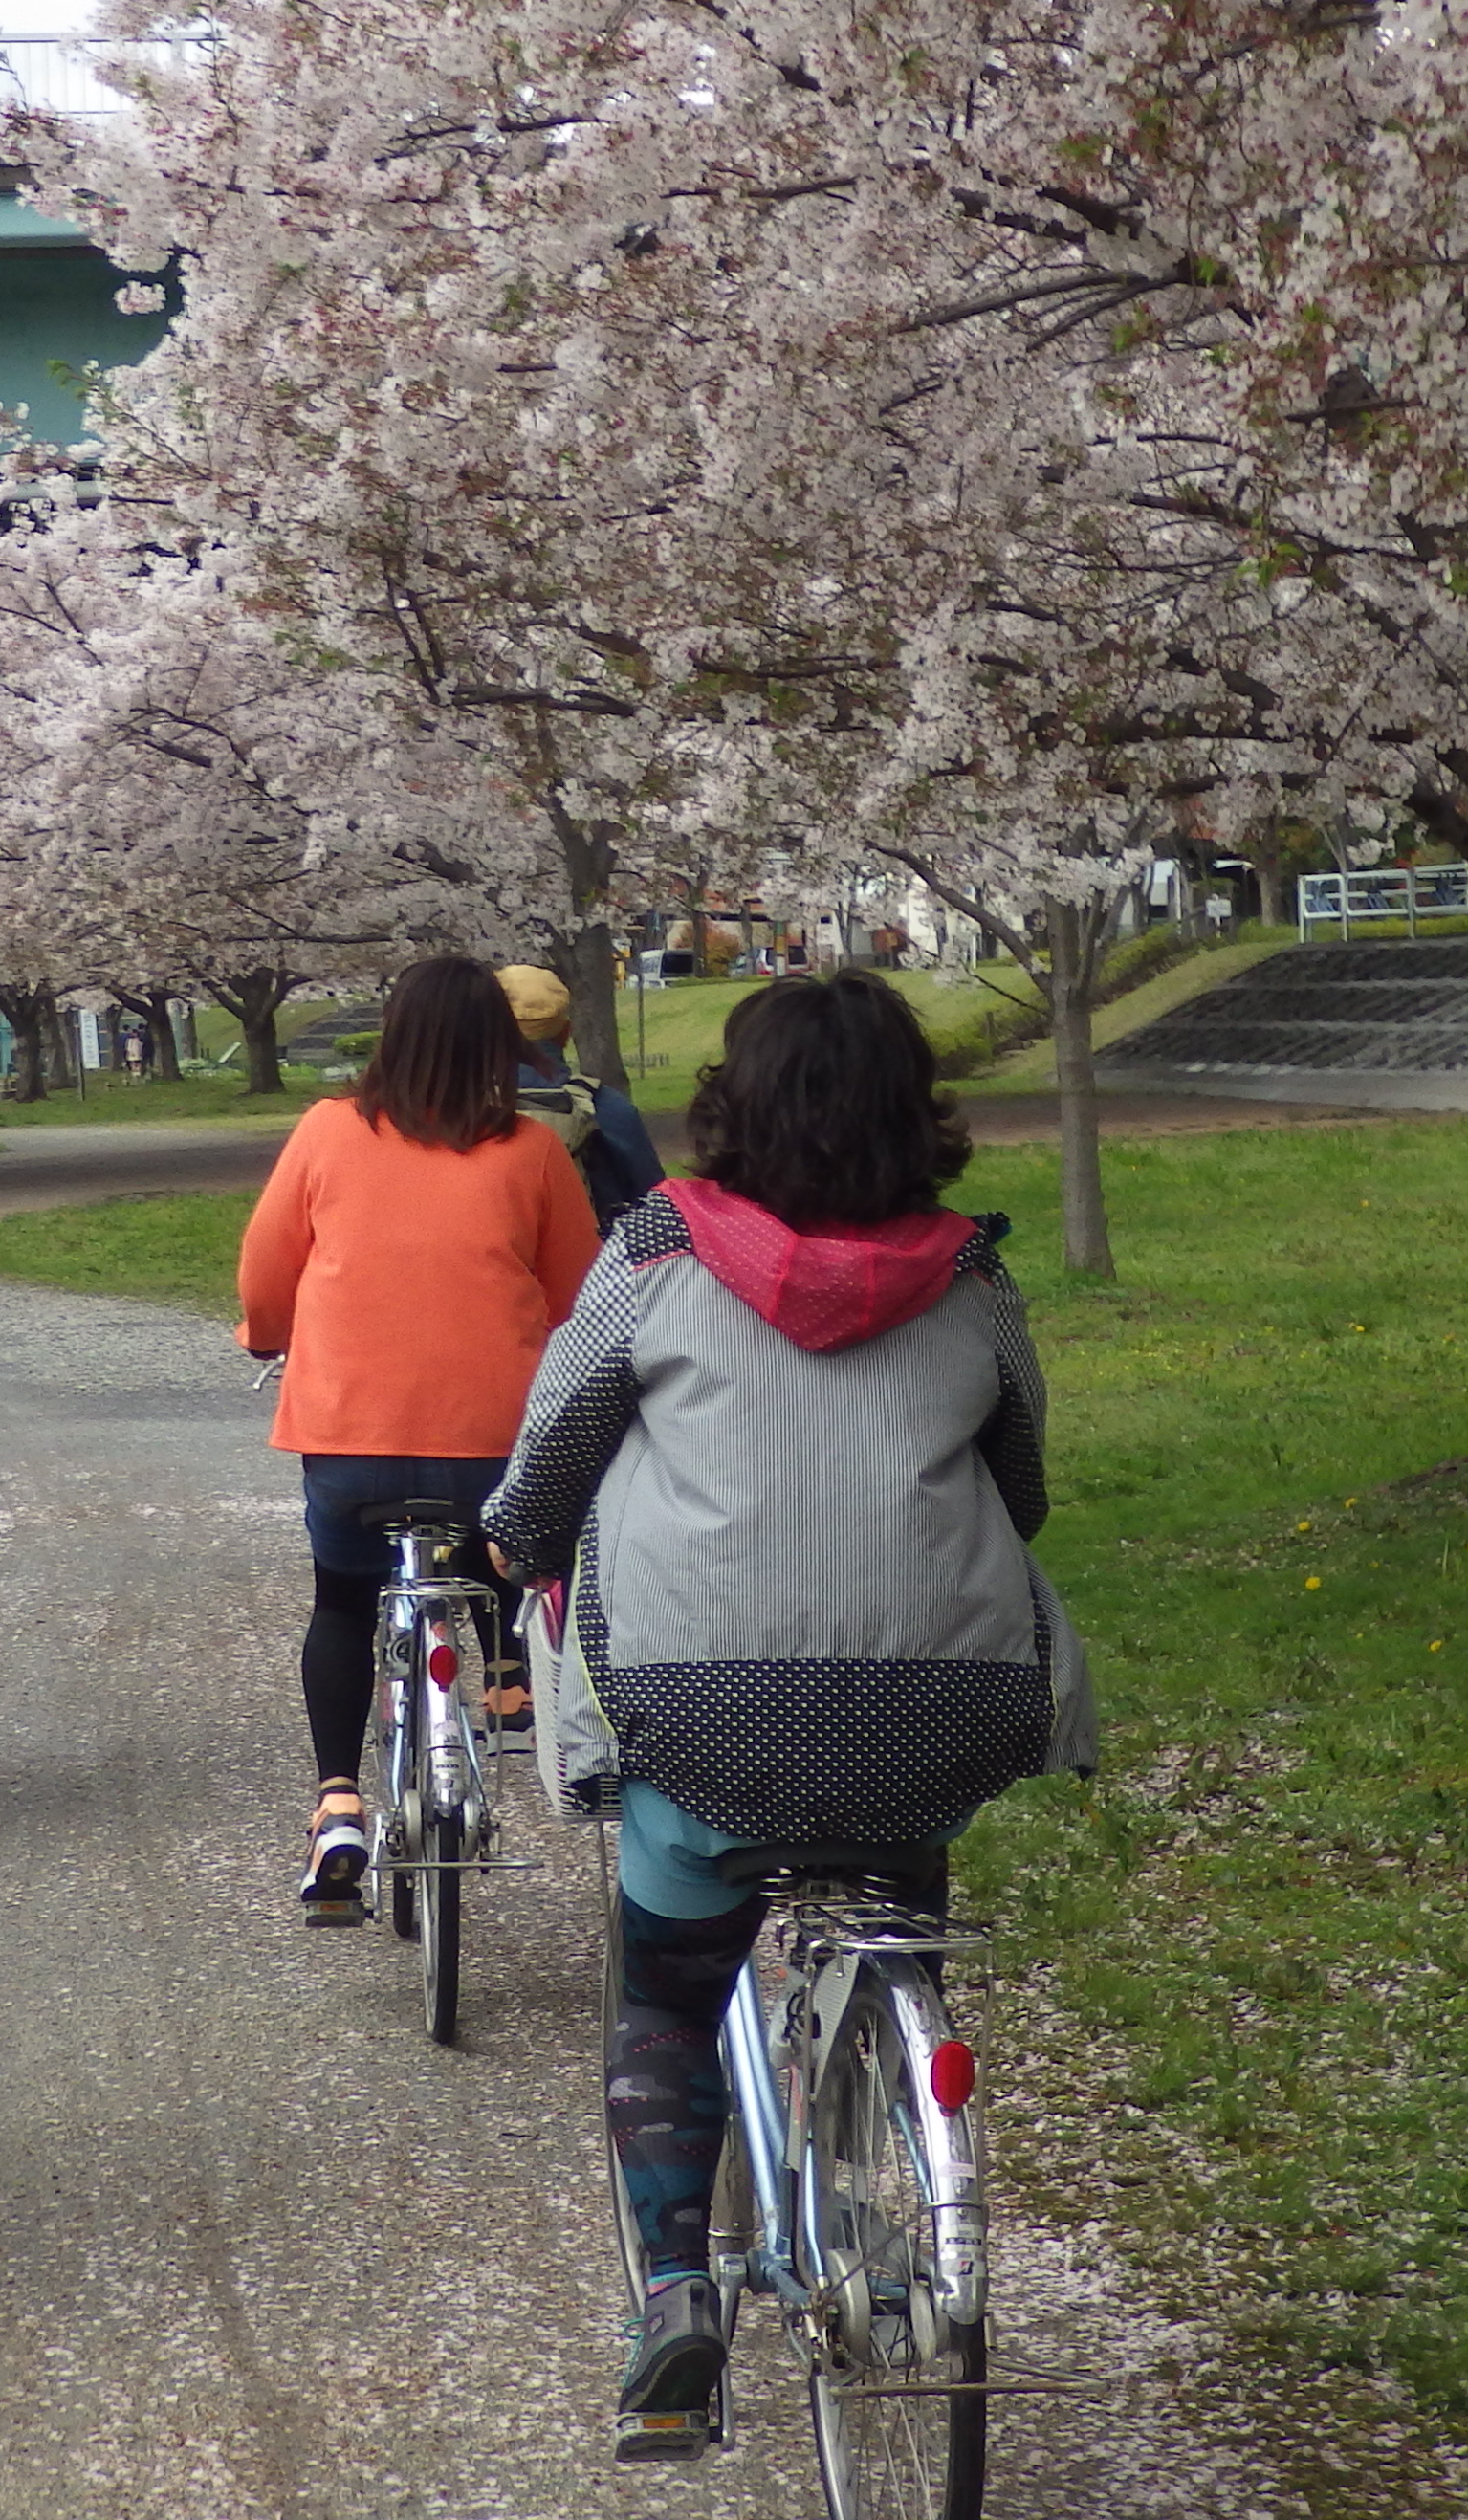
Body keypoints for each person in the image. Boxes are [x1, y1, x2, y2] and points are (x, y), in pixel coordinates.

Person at [481, 967, 1096, 2462]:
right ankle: (906, 2099)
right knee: (898, 1889)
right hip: (932, 1718)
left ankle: (678, 2291)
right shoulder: (975, 1280)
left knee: (669, 1996)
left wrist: (516, 1537)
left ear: (732, 1108)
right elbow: (1020, 1492)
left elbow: (553, 1456)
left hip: (704, 1719)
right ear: (916, 1112)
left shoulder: (655, 1253)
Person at [235, 952, 603, 1917]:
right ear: (503, 1049)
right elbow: (584, 1302)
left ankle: (338, 1801)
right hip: (494, 1446)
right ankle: (513, 1690)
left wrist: (265, 1334)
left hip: (350, 1437)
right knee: (507, 1566)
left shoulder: (324, 1133)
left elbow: (266, 1274)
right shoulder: (533, 1153)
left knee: (343, 1604)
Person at [493, 961, 666, 1227]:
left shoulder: (457, 1109)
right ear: (566, 1033)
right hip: (591, 1262)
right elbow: (655, 1204)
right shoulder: (607, 1108)